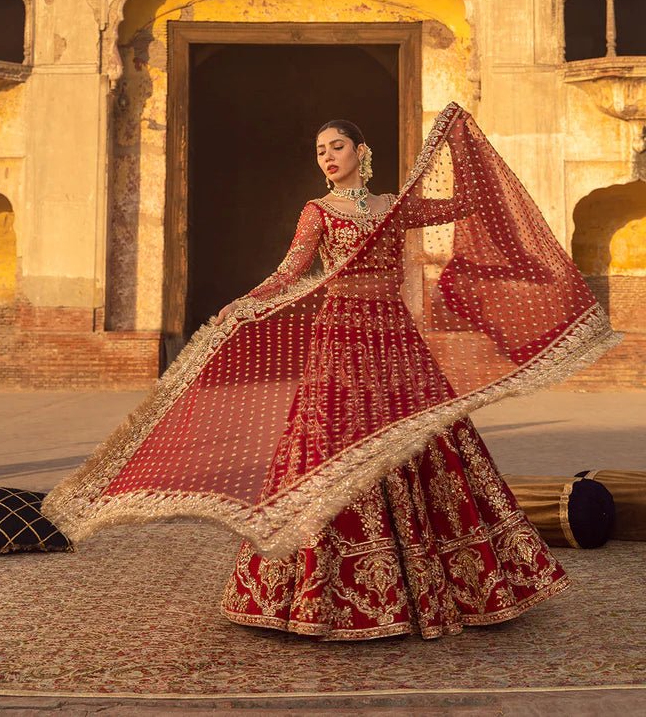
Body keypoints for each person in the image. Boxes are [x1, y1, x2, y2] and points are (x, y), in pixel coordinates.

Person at [43, 102, 619, 642]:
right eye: (320, 150)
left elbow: (465, 206)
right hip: (339, 343)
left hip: (396, 342)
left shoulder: (396, 204)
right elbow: (290, 272)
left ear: (360, 152)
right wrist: (244, 308)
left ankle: (453, 585)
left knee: (429, 445)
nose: (327, 156)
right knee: (327, 449)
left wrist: (460, 144)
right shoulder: (317, 212)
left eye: (337, 145)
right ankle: (321, 595)